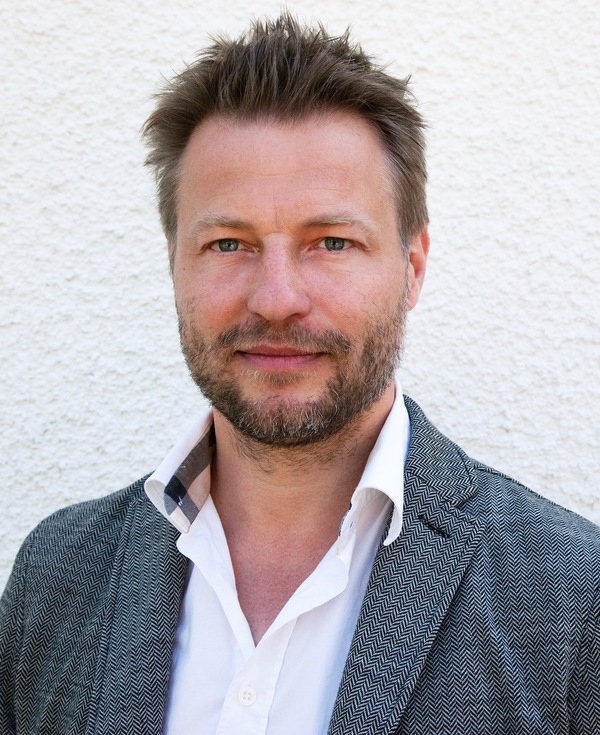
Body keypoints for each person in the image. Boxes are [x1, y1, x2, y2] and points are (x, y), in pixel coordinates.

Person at [1, 13, 599, 735]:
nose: (277, 298)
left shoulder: (571, 599)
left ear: (412, 267)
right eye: (229, 243)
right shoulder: (54, 579)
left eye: (332, 242)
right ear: (173, 262)